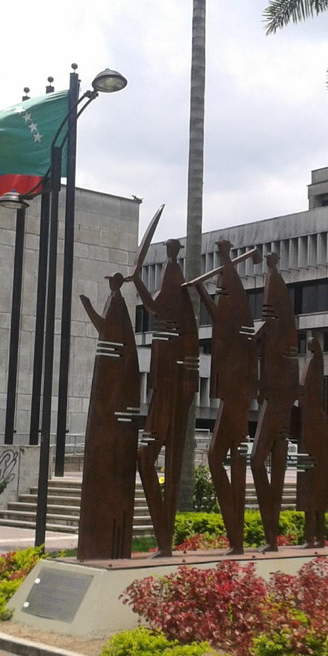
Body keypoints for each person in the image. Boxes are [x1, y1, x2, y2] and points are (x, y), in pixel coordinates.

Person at [130, 238, 199, 557]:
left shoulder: (176, 281)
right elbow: (154, 305)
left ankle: (165, 538)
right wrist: (138, 283)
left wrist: (139, 282)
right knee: (149, 457)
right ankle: (164, 538)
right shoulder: (174, 285)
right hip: (165, 384)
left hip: (172, 386)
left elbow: (155, 305)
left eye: (171, 250)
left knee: (154, 457)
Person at [192, 239, 257, 554]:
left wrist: (223, 258)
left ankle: (237, 535)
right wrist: (206, 287)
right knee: (222, 458)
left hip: (235, 397)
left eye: (222, 293)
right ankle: (236, 533)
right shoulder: (230, 326)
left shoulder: (237, 328)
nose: (219, 296)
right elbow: (214, 308)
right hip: (233, 396)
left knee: (227, 457)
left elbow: (217, 308)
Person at [76, 273, 140, 561]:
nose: (111, 285)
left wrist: (88, 308)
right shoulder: (116, 303)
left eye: (112, 282)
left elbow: (108, 332)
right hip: (110, 395)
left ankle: (109, 542)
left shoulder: (117, 305)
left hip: (113, 401)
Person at [250, 253, 299, 551]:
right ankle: (272, 535)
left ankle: (271, 528)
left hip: (277, 403)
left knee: (259, 461)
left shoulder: (280, 338)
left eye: (269, 309)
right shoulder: (276, 339)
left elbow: (256, 340)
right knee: (270, 463)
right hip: (275, 399)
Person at [296, 336, 328, 548]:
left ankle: (316, 538)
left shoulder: (314, 368)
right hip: (308, 440)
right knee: (310, 493)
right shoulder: (311, 366)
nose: (309, 346)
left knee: (314, 492)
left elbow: (307, 392)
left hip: (313, 442)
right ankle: (312, 537)